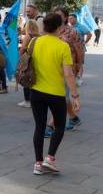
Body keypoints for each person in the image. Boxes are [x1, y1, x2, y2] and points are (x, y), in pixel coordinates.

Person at [29, 13, 80, 175]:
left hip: (36, 91)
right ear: (59, 27)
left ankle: (37, 163)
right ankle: (50, 158)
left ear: (44, 26)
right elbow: (68, 74)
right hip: (56, 93)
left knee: (39, 126)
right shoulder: (62, 46)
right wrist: (75, 96)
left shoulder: (35, 41)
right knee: (59, 126)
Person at [52, 7, 83, 132]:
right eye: (55, 15)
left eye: (59, 15)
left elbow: (79, 50)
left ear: (65, 17)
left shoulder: (72, 32)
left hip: (68, 68)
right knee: (61, 96)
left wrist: (79, 66)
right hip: (53, 68)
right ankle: (73, 117)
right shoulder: (51, 31)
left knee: (60, 96)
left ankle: (51, 125)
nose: (57, 17)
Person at [18, 19, 40, 108]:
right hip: (37, 59)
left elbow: (23, 48)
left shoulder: (28, 36)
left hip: (28, 60)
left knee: (26, 78)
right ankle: (34, 100)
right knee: (34, 79)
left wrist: (19, 57)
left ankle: (27, 101)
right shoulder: (39, 36)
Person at [68, 14, 92, 86]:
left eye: (71, 18)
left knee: (80, 63)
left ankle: (79, 78)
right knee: (72, 63)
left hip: (79, 48)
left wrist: (85, 42)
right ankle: (74, 78)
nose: (70, 20)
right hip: (71, 49)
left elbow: (89, 34)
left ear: (75, 19)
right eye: (69, 19)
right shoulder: (69, 27)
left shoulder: (81, 26)